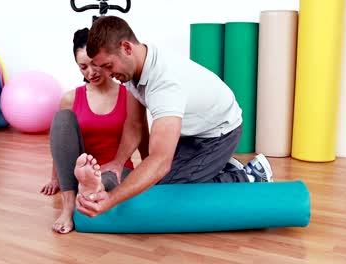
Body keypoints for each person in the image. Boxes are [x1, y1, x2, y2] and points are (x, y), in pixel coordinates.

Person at [74, 16, 274, 218]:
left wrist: (111, 200)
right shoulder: (134, 65)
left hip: (219, 132)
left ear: (126, 47)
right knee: (152, 179)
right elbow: (134, 124)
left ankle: (248, 176)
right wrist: (118, 162)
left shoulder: (165, 85)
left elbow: (160, 161)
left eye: (108, 66)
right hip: (191, 128)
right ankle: (217, 167)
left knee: (167, 188)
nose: (107, 74)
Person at [40, 28, 148, 233]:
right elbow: (62, 142)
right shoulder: (71, 98)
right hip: (78, 169)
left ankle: (92, 188)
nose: (90, 72)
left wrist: (151, 172)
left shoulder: (130, 94)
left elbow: (142, 134)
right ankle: (69, 205)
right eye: (83, 67)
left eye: (94, 64)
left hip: (116, 170)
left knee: (105, 180)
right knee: (62, 118)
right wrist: (55, 177)